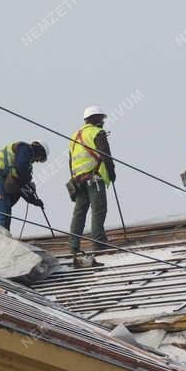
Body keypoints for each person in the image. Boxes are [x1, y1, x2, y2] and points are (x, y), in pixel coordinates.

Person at [68, 106, 116, 264]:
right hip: (94, 178)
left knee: (79, 212)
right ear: (95, 119)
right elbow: (105, 155)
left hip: (78, 180)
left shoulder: (75, 136)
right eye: (101, 119)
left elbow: (71, 161)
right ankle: (99, 243)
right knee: (99, 209)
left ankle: (73, 246)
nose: (102, 122)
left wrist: (74, 179)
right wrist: (111, 173)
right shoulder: (97, 133)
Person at [0, 140, 47, 230]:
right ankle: (2, 241)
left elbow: (20, 185)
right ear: (39, 150)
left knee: (0, 216)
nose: (37, 161)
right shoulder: (25, 149)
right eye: (40, 158)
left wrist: (34, 200)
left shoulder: (22, 157)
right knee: (2, 215)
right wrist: (28, 181)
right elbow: (21, 169)